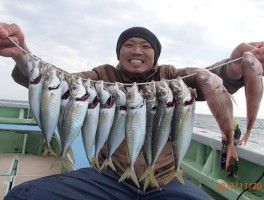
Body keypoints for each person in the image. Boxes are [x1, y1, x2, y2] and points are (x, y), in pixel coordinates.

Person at [0, 23, 264, 200]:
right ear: (119, 52)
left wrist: (236, 69)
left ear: (155, 54)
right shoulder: (102, 76)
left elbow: (209, 79)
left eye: (145, 46)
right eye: (129, 44)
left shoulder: (170, 77)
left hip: (166, 181)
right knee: (22, 196)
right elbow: (55, 83)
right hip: (107, 177)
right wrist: (22, 55)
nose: (137, 50)